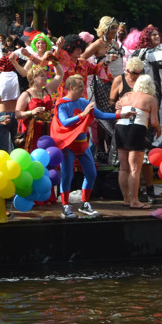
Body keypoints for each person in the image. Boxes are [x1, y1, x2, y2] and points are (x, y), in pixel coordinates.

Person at [50, 74, 123, 219]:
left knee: (91, 173)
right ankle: (65, 206)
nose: (83, 90)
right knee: (67, 175)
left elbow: (100, 114)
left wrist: (121, 115)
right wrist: (83, 114)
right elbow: (65, 122)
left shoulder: (83, 101)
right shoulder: (61, 103)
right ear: (71, 88)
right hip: (69, 144)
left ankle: (84, 203)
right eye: (80, 87)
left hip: (82, 144)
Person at [114, 74, 160, 209]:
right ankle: (135, 201)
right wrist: (156, 127)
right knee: (135, 168)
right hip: (136, 129)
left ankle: (126, 199)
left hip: (120, 128)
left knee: (123, 168)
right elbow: (154, 121)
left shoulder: (126, 96)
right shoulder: (151, 99)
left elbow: (117, 113)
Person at [15, 64, 61, 152]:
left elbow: (59, 75)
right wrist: (31, 112)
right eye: (42, 76)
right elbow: (17, 114)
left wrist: (55, 61)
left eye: (45, 75)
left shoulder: (47, 90)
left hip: (47, 128)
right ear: (34, 78)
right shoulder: (26, 94)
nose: (45, 78)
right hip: (32, 130)